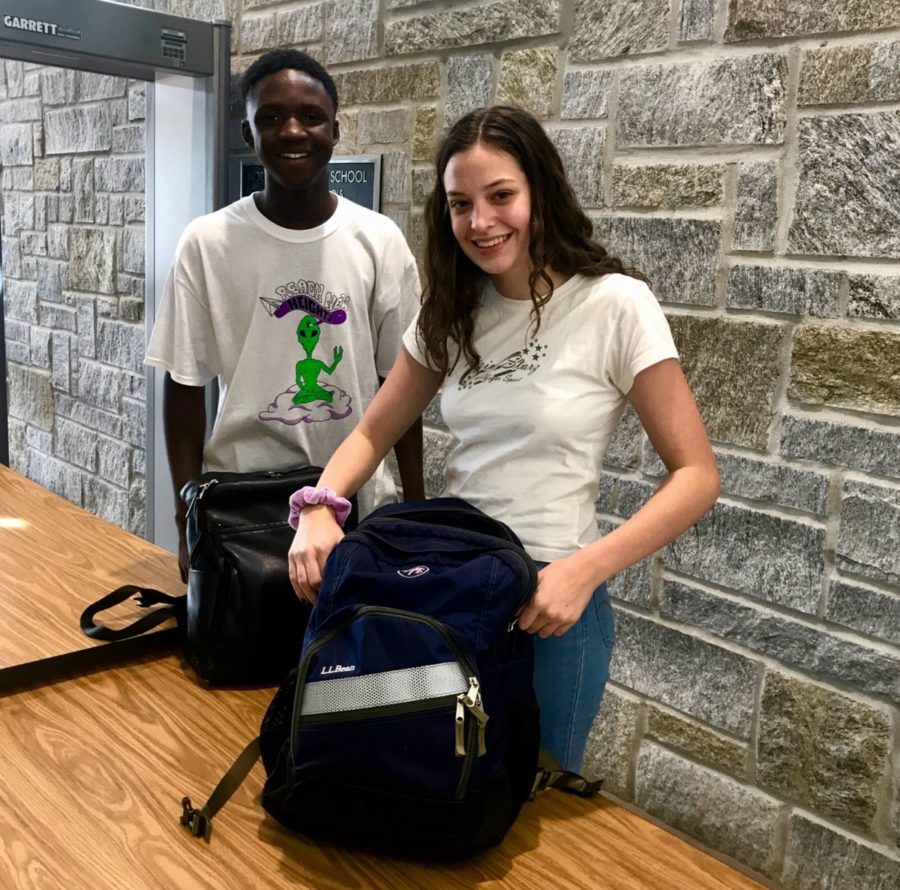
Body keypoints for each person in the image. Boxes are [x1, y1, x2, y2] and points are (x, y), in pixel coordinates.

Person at [287, 106, 720, 772]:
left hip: (552, 607)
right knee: (434, 786)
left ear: (539, 192)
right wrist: (320, 505)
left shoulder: (616, 304)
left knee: (531, 819)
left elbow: (696, 474)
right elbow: (374, 428)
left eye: (501, 197)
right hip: (456, 590)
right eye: (461, 204)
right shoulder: (452, 311)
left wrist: (586, 569)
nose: (480, 222)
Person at [146, 49, 424, 580]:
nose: (293, 131)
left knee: (353, 658)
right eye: (270, 118)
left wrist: (413, 507)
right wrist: (188, 517)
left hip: (360, 507)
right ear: (249, 135)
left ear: (335, 130)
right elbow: (183, 385)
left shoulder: (379, 241)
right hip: (243, 509)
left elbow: (400, 386)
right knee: (240, 661)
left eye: (311, 117)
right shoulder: (208, 243)